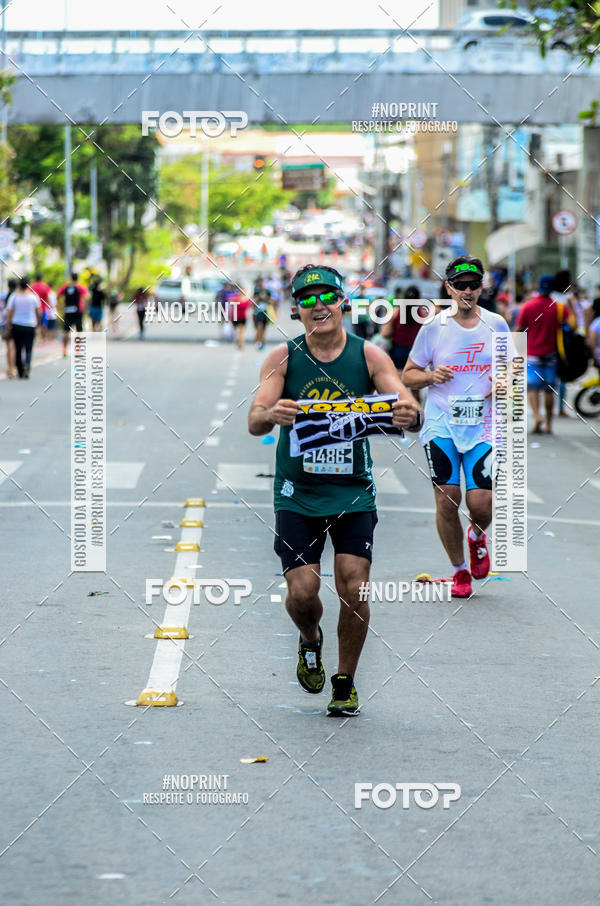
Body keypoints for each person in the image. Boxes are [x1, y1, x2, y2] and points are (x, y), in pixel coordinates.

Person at [248, 264, 421, 715]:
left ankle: (344, 681)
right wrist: (273, 415)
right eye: (307, 300)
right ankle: (310, 639)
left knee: (355, 586)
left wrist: (408, 413)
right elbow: (254, 419)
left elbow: (404, 401)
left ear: (343, 302)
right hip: (297, 493)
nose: (318, 306)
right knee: (303, 593)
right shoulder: (282, 359)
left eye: (327, 297)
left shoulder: (369, 356)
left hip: (352, 493)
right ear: (295, 311)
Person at [403, 256, 511, 599]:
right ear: (448, 287)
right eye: (460, 285)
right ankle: (458, 571)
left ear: (482, 287)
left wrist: (504, 382)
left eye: (473, 285)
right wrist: (430, 376)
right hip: (441, 423)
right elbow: (408, 373)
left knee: (481, 504)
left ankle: (477, 536)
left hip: (483, 426)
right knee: (448, 499)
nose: (467, 291)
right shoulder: (434, 327)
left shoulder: (497, 324)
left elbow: (512, 369)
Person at [516, 274, 572, 434]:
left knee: (532, 388)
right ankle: (548, 423)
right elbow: (571, 327)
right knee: (549, 389)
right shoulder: (559, 308)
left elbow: (519, 329)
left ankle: (536, 415)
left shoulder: (527, 306)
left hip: (532, 354)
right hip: (551, 355)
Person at [4, 276, 41, 379]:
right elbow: (38, 311)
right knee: (29, 348)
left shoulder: (14, 297)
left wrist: (8, 325)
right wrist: (38, 324)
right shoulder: (33, 297)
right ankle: (27, 365)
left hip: (17, 325)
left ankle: (20, 370)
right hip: (30, 325)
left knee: (18, 348)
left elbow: (9, 312)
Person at [57, 273, 88, 356]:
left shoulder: (65, 287)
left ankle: (64, 349)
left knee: (65, 331)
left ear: (71, 278)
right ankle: (77, 349)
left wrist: (60, 307)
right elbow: (87, 297)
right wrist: (84, 308)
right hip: (77, 311)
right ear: (77, 278)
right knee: (79, 331)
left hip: (67, 311)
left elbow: (58, 295)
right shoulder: (80, 287)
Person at [1, 277, 17, 378]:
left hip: (4, 323)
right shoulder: (16, 296)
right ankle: (12, 369)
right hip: (14, 323)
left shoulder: (3, 296)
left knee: (8, 347)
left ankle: (9, 368)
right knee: (13, 348)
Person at [30, 273, 52, 341]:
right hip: (44, 308)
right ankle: (44, 338)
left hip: (35, 309)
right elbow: (48, 297)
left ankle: (37, 338)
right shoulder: (45, 286)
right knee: (44, 324)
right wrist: (50, 306)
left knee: (36, 324)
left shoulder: (32, 286)